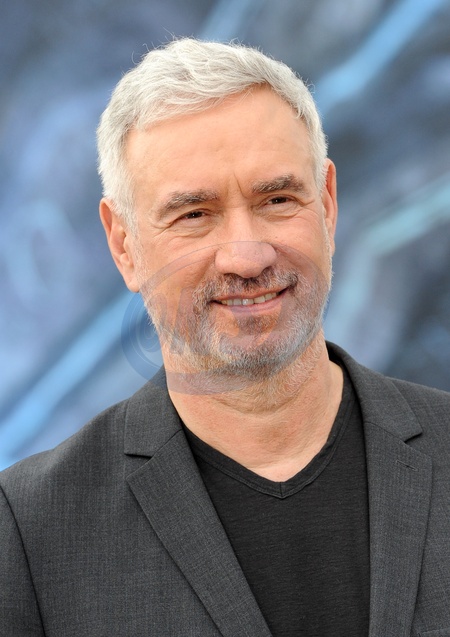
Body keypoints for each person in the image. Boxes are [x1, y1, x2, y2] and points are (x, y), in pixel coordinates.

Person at [1, 38, 450, 637]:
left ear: (327, 205)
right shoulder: (30, 530)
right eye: (194, 215)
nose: (246, 256)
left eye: (277, 199)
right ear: (124, 245)